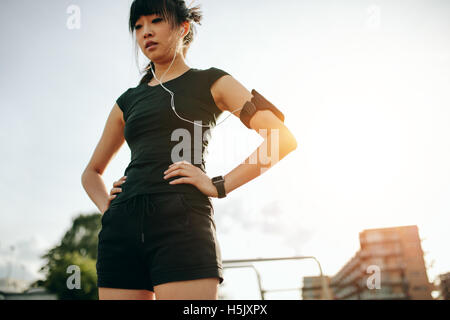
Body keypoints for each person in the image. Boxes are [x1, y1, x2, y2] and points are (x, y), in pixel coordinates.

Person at [81, 0, 298, 300]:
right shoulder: (127, 101)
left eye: (156, 21)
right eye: (138, 26)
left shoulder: (212, 81)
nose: (145, 32)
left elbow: (281, 139)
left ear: (183, 27)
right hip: (121, 230)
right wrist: (109, 208)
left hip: (182, 224)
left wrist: (219, 184)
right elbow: (91, 173)